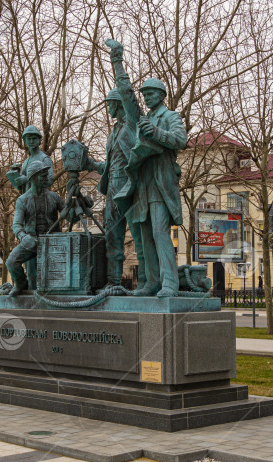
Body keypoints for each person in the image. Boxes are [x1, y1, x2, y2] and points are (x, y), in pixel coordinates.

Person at [110, 41, 187, 297]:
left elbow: (180, 140)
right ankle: (151, 282)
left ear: (162, 94)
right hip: (141, 185)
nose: (146, 96)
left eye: (151, 92)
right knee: (144, 235)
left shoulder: (170, 117)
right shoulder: (141, 118)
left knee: (159, 232)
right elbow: (126, 93)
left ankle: (169, 284)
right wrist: (117, 62)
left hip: (160, 184)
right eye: (145, 93)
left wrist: (155, 133)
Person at [84, 41, 148, 291]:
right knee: (113, 237)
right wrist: (90, 164)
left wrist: (116, 60)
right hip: (112, 190)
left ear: (119, 103)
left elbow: (128, 90)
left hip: (130, 188)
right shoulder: (114, 132)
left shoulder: (132, 122)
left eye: (110, 103)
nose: (107, 107)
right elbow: (111, 165)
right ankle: (112, 282)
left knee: (139, 236)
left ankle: (145, 284)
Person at [6, 161, 65, 296]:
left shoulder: (54, 197)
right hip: (32, 241)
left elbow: (69, 216)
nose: (46, 178)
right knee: (11, 262)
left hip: (52, 243)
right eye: (43, 176)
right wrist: (23, 236)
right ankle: (21, 283)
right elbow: (17, 224)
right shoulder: (22, 200)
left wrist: (80, 204)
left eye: (46, 175)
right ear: (33, 177)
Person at [7, 125, 54, 289]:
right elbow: (24, 187)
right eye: (28, 139)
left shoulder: (44, 159)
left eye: (34, 138)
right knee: (29, 263)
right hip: (28, 207)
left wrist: (26, 179)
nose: (31, 141)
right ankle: (26, 287)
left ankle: (37, 291)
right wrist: (17, 180)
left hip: (42, 205)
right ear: (25, 141)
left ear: (40, 140)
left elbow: (48, 180)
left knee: (42, 267)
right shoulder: (26, 161)